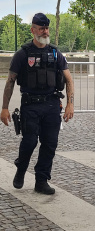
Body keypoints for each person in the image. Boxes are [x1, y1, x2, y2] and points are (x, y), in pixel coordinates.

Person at [0, 13, 74, 194]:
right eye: (41, 28)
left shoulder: (55, 53)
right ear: (33, 30)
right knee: (30, 141)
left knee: (50, 144)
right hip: (30, 105)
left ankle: (41, 180)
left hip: (51, 105)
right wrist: (4, 108)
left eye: (47, 28)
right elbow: (10, 81)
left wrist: (71, 104)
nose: (45, 31)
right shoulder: (22, 54)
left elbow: (69, 79)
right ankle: (21, 168)